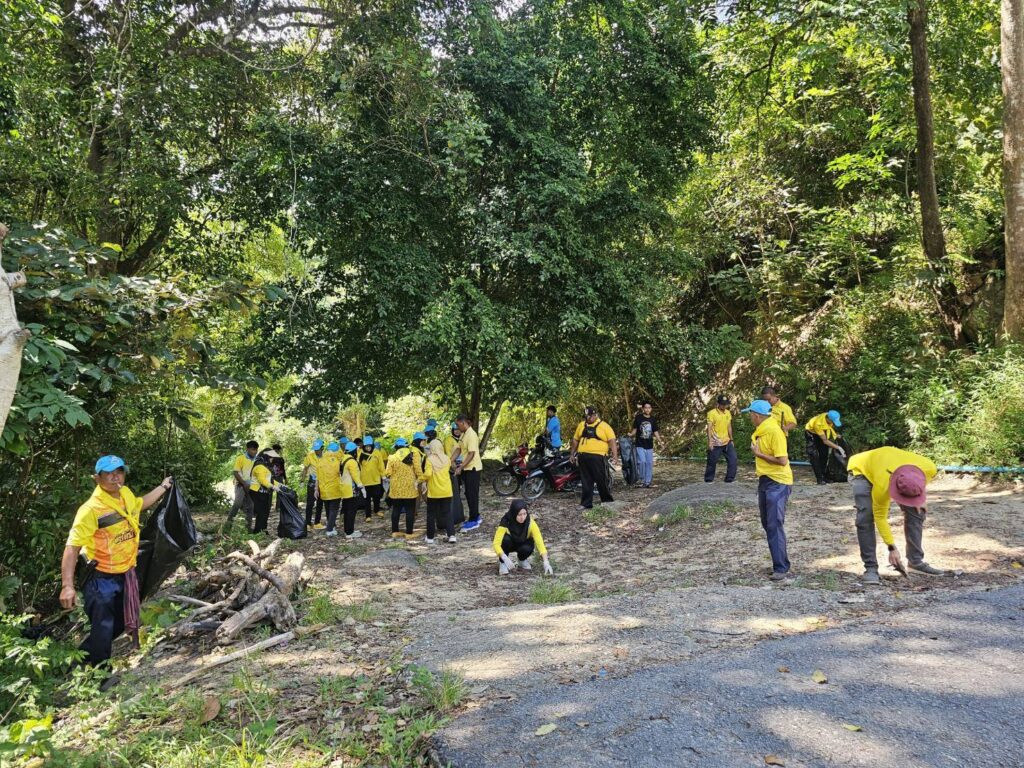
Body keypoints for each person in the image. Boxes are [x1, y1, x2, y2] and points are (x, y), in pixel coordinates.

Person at [60, 456, 173, 666]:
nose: (116, 477)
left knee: (119, 622)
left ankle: (80, 661)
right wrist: (67, 586)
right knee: (103, 626)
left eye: (119, 472)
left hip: (125, 572)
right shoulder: (90, 509)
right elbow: (72, 547)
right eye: (109, 473)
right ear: (97, 478)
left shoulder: (125, 494)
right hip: (100, 577)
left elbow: (140, 504)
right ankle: (101, 675)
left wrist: (163, 487)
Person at [847, 447, 944, 585]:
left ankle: (915, 561)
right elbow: (880, 517)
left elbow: (919, 483)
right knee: (866, 516)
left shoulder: (929, 468)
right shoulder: (882, 486)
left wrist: (920, 498)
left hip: (889, 464)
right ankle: (871, 568)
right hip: (861, 469)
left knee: (917, 510)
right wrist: (891, 547)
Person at [742, 399, 793, 581]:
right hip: (765, 480)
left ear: (756, 415)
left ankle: (781, 567)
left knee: (774, 524)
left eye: (750, 414)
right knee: (767, 523)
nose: (749, 417)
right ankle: (778, 562)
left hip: (778, 483)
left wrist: (759, 454)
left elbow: (782, 461)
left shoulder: (774, 431)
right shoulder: (761, 431)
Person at [569, 406, 619, 510]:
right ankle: (586, 503)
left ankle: (607, 501)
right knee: (586, 481)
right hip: (583, 456)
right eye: (586, 416)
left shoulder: (604, 426)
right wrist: (572, 454)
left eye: (589, 416)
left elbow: (612, 441)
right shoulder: (581, 425)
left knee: (602, 479)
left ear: (595, 415)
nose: (587, 418)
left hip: (598, 457)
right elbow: (575, 440)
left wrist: (615, 456)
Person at [492, 500, 554, 576]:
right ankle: (503, 563)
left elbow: (539, 541)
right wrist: (504, 557)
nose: (522, 517)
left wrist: (546, 562)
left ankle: (522, 560)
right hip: (509, 544)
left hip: (523, 543)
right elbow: (496, 543)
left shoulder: (530, 522)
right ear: (514, 513)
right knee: (505, 540)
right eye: (519, 515)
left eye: (524, 514)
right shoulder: (506, 521)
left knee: (528, 547)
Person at [419, 431, 457, 544]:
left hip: (434, 491)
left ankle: (430, 537)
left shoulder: (429, 459)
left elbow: (427, 474)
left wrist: (419, 480)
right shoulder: (447, 459)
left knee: (431, 514)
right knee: (448, 513)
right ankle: (452, 535)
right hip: (446, 490)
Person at [451, 414, 483, 531]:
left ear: (463, 423)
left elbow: (471, 454)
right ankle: (476, 516)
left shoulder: (471, 435)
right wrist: (450, 460)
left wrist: (461, 467)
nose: (457, 427)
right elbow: (459, 449)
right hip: (467, 468)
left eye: (458, 424)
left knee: (472, 494)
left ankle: (474, 520)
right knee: (468, 493)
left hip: (473, 468)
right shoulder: (463, 434)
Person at [385, 437, 419, 538]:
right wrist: (420, 480)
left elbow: (388, 473)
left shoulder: (391, 457)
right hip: (410, 487)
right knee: (410, 510)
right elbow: (418, 471)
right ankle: (409, 533)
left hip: (396, 488)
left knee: (396, 509)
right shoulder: (413, 456)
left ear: (396, 447)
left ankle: (395, 531)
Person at [224, 440, 258, 532]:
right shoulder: (241, 458)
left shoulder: (257, 460)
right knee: (237, 505)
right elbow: (235, 472)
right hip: (241, 485)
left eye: (256, 450)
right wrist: (244, 483)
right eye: (252, 450)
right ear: (247, 449)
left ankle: (248, 529)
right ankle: (227, 527)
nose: (254, 452)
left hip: (252, 486)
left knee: (250, 506)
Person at [250, 450, 287, 534]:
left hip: (264, 492)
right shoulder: (259, 466)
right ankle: (258, 531)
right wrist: (273, 487)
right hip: (257, 493)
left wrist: (280, 485)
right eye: (271, 458)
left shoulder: (266, 466)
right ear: (266, 457)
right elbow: (262, 480)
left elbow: (270, 480)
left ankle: (263, 530)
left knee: (265, 512)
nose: (272, 460)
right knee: (261, 512)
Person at [805, 410, 845, 485]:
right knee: (814, 455)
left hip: (822, 431)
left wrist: (836, 435)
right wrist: (838, 447)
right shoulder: (818, 424)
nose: (833, 423)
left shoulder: (829, 415)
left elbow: (829, 428)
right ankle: (819, 478)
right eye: (832, 421)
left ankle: (824, 476)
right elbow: (825, 441)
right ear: (828, 419)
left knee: (824, 454)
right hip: (811, 433)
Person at [705, 395, 738, 483]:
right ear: (718, 404)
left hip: (726, 441)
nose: (724, 406)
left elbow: (729, 426)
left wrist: (731, 439)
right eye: (722, 404)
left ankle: (729, 479)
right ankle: (708, 480)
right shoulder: (712, 413)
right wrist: (710, 441)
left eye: (726, 404)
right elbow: (709, 428)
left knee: (733, 459)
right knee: (712, 462)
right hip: (716, 442)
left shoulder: (728, 413)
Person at [339, 442, 367, 540]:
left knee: (347, 511)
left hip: (344, 488)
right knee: (351, 511)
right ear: (354, 451)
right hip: (352, 490)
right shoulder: (352, 461)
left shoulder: (343, 458)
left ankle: (348, 530)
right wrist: (361, 487)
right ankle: (349, 532)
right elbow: (355, 475)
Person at [632, 401, 662, 488]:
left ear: (651, 409)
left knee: (649, 463)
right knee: (642, 461)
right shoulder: (638, 418)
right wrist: (630, 434)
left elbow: (655, 431)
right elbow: (634, 430)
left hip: (649, 445)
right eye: (646, 408)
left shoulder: (653, 419)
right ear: (643, 409)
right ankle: (642, 479)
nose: (647, 409)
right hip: (639, 444)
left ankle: (647, 482)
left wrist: (660, 441)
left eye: (649, 408)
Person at [318, 442, 344, 537]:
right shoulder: (337, 461)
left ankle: (332, 526)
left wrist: (317, 489)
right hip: (334, 489)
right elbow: (340, 473)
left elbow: (317, 477)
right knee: (334, 509)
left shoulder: (320, 461)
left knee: (328, 509)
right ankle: (329, 529)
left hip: (323, 489)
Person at [358, 436, 386, 519]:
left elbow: (381, 465)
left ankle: (376, 510)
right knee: (366, 498)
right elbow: (357, 466)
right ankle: (368, 515)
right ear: (364, 446)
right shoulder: (360, 453)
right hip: (365, 480)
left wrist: (383, 475)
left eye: (369, 446)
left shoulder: (377, 453)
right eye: (366, 446)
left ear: (372, 445)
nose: (368, 448)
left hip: (376, 479)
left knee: (377, 496)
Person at [300, 439, 326, 530]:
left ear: (322, 448)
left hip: (322, 482)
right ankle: (308, 523)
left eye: (317, 449)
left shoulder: (326, 456)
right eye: (315, 449)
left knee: (320, 502)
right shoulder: (310, 456)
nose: (316, 451)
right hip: (312, 481)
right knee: (310, 503)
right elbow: (305, 469)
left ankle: (317, 523)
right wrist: (302, 481)